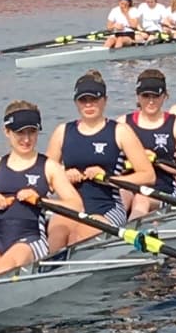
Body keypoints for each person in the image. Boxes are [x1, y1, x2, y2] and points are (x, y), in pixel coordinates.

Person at [0, 101, 83, 290]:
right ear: (7, 132)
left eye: (31, 132)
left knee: (4, 269)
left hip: (31, 237)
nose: (26, 139)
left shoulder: (49, 167)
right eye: (20, 133)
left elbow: (76, 206)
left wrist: (41, 201)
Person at [46, 70, 155, 250]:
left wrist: (109, 179)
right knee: (57, 233)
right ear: (76, 102)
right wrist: (62, 176)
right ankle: (46, 271)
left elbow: (148, 175)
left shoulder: (120, 131)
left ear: (105, 100)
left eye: (94, 99)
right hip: (71, 205)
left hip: (107, 207)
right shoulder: (62, 132)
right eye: (83, 100)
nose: (89, 105)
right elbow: (45, 180)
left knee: (79, 235)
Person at [116, 69, 176, 217]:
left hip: (164, 186)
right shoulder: (122, 123)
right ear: (138, 96)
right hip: (131, 181)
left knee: (141, 199)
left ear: (165, 96)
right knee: (120, 196)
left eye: (156, 96)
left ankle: (129, 236)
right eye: (146, 96)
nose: (151, 101)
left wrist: (157, 161)